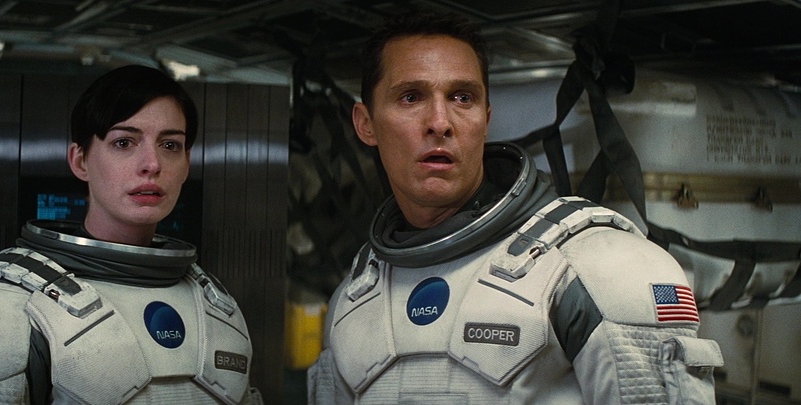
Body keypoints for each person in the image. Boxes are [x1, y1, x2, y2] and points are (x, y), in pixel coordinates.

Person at [307, 13, 723, 404]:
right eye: (411, 97)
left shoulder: (600, 270)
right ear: (365, 124)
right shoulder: (356, 297)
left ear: (486, 118)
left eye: (462, 97)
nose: (440, 122)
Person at [0, 65, 261, 404]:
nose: (152, 164)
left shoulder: (215, 307)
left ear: (187, 163)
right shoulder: (7, 304)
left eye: (170, 145)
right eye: (124, 142)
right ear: (80, 161)